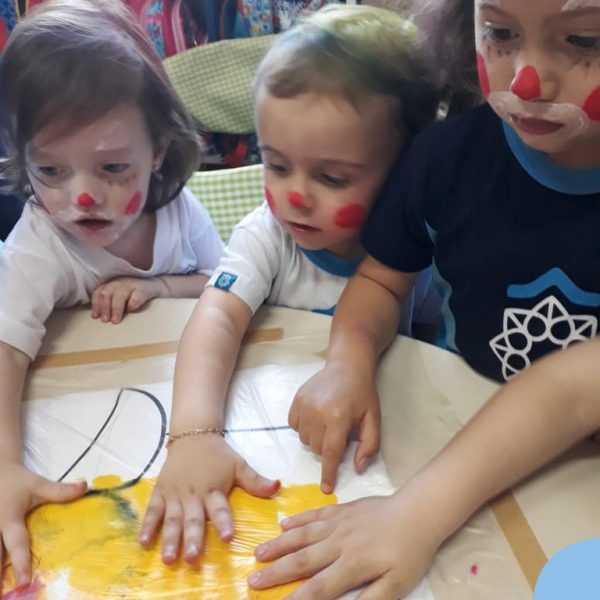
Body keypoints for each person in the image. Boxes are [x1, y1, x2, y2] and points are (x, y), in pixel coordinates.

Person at [246, 0, 600, 598]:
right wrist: (347, 362)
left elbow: (571, 390)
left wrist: (416, 513)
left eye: (585, 40)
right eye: (500, 33)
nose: (525, 81)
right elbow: (382, 281)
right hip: (452, 435)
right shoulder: (448, 158)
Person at [139, 3, 442, 566]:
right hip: (265, 446)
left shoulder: (423, 245)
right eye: (277, 166)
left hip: (370, 470)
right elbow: (216, 317)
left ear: (407, 173)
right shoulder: (268, 235)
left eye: (331, 177)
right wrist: (194, 435)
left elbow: (432, 343)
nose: (295, 195)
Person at [0, 0, 223, 588]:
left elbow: (227, 284)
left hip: (173, 408)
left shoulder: (178, 210)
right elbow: (5, 348)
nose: (82, 198)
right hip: (77, 429)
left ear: (158, 151)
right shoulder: (40, 245)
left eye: (113, 168)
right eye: (51, 171)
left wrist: (159, 286)